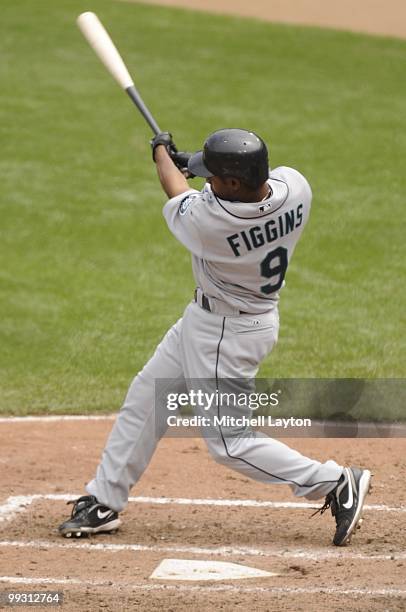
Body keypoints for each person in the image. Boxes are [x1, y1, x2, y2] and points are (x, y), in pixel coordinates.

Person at [59, 128, 371, 546]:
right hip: (225, 321)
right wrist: (191, 160)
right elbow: (222, 183)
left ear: (234, 184)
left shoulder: (210, 224)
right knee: (147, 395)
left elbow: (174, 186)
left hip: (225, 335)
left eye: (215, 177)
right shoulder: (296, 186)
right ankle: (103, 500)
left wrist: (162, 156)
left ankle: (335, 481)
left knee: (230, 443)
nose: (207, 181)